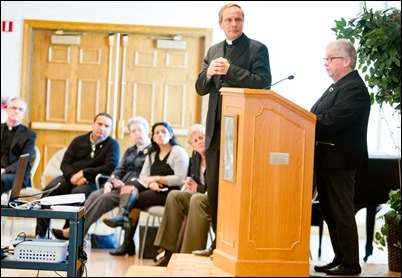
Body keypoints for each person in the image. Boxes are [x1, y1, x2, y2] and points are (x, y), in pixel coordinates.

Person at [193, 2, 271, 256]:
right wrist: (208, 75)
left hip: (244, 130)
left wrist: (230, 70)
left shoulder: (257, 49)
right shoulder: (214, 50)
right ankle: (218, 244)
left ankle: (239, 245)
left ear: (243, 22)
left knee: (239, 190)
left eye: (238, 19)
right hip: (216, 130)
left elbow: (263, 83)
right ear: (221, 24)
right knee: (215, 190)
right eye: (229, 20)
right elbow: (200, 88)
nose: (234, 24)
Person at [311, 39, 370, 276]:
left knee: (341, 212)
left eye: (330, 58)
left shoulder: (353, 87)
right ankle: (340, 258)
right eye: (325, 59)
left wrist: (308, 120)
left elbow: (334, 119)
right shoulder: (338, 85)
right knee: (330, 212)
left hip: (340, 161)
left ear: (346, 61)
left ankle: (351, 263)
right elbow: (318, 112)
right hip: (327, 160)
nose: (325, 63)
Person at [50, 117, 151, 253]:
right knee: (95, 194)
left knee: (103, 198)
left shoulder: (152, 151)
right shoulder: (130, 150)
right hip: (119, 187)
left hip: (134, 190)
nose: (136, 133)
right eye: (133, 131)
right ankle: (77, 234)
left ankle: (74, 234)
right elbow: (118, 170)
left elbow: (146, 175)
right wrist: (110, 182)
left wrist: (124, 185)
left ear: (147, 130)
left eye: (139, 130)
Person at [105, 121, 189, 256]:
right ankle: (123, 217)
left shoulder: (178, 152)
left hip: (170, 192)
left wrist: (156, 179)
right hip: (152, 187)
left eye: (164, 131)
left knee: (133, 200)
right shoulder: (152, 153)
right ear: (153, 137)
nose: (160, 135)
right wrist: (151, 183)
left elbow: (180, 178)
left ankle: (126, 238)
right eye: (157, 133)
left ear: (171, 134)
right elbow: (144, 176)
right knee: (130, 186)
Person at [35, 112, 120, 238]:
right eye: (100, 124)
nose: (102, 128)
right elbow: (65, 163)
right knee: (49, 190)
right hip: (70, 178)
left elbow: (110, 167)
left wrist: (84, 173)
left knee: (77, 195)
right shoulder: (78, 141)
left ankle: (67, 232)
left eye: (106, 126)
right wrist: (72, 177)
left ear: (110, 129)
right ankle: (40, 233)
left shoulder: (113, 145)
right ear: (93, 124)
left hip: (92, 182)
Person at [153, 124, 209, 266]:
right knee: (174, 195)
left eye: (201, 138)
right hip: (200, 195)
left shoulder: (216, 156)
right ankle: (168, 252)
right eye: (195, 141)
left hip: (214, 198)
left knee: (196, 198)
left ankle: (189, 256)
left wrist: (199, 188)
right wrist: (191, 183)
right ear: (192, 145)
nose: (199, 142)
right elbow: (195, 180)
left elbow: (217, 186)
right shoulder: (196, 157)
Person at [1, 97, 37, 194]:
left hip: (17, 175)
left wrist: (5, 170)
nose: (17, 111)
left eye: (20, 109)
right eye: (14, 108)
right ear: (7, 110)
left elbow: (25, 160)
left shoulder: (29, 135)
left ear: (23, 114)